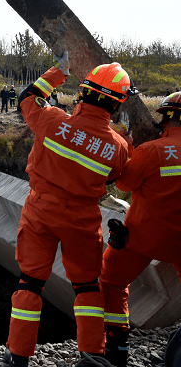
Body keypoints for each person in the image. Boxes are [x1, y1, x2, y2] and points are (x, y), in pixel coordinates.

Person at [3, 55, 134, 367]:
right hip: (82, 220)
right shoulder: (117, 147)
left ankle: (18, 356)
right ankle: (92, 354)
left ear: (83, 92)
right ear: (116, 105)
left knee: (30, 283)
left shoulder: (52, 120)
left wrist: (59, 71)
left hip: (40, 211)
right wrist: (125, 135)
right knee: (87, 286)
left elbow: (27, 98)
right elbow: (117, 177)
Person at [100, 91, 181, 366]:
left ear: (165, 120)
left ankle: (116, 347)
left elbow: (123, 184)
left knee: (111, 281)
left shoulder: (151, 151)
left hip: (143, 238)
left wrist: (127, 144)